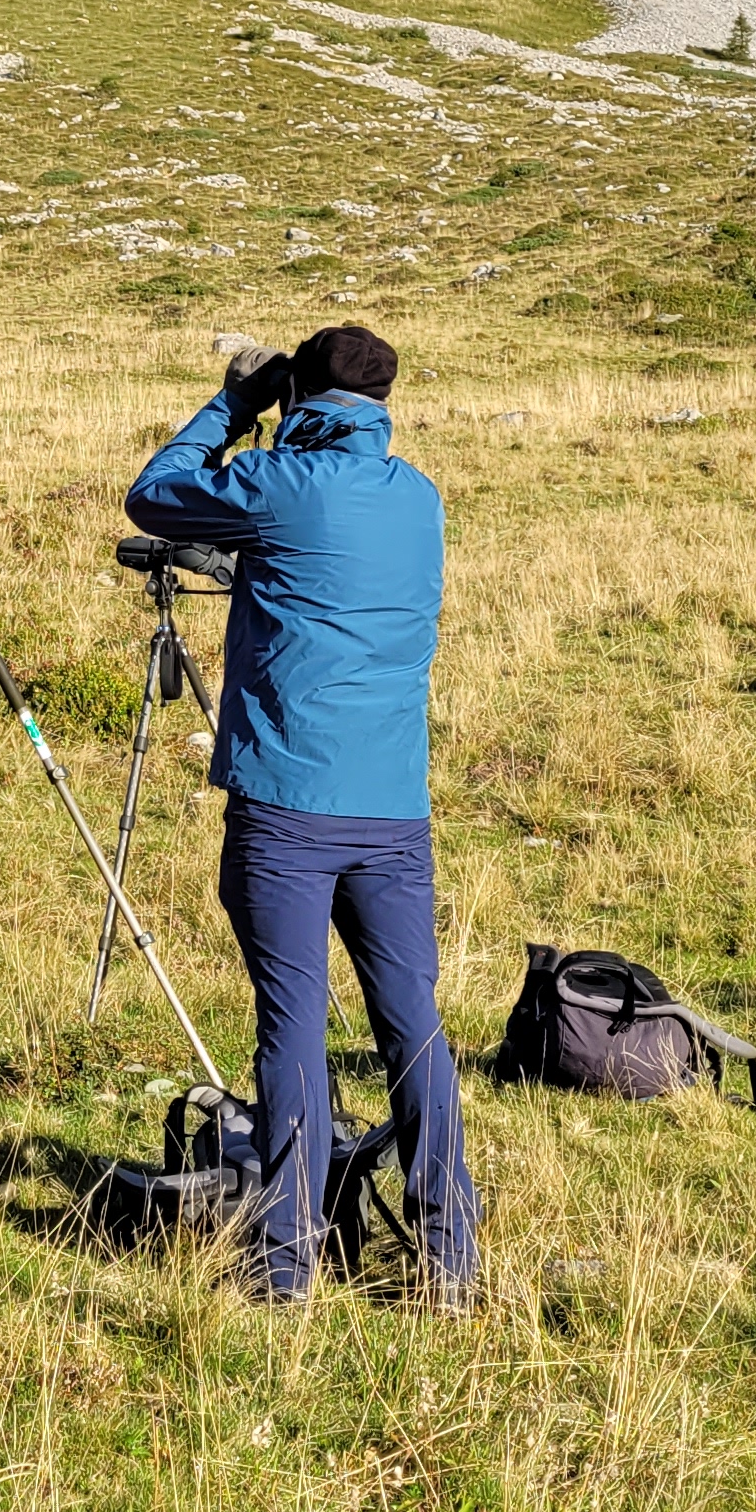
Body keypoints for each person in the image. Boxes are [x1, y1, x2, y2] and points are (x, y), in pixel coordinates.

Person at [124, 323, 478, 1307]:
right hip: (394, 809)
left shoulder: (282, 486)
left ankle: (288, 1262)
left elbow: (155, 493)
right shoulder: (419, 498)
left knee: (292, 1033)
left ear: (302, 400)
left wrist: (238, 406)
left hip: (286, 804)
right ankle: (449, 1256)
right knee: (414, 1029)